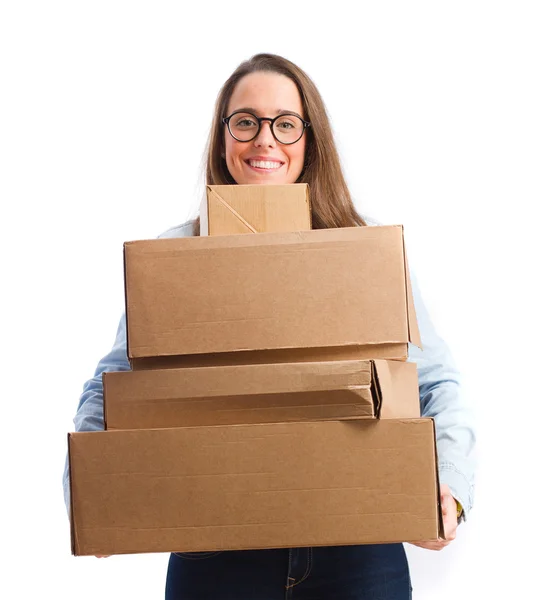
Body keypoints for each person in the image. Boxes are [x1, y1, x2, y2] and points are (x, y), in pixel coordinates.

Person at [63, 53, 476, 599]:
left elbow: (434, 383)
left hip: (356, 551)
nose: (265, 140)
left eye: (285, 123)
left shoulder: (363, 248)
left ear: (310, 139)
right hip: (214, 550)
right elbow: (110, 384)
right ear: (223, 139)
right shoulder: (176, 255)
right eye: (246, 122)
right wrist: (92, 494)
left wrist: (448, 490)